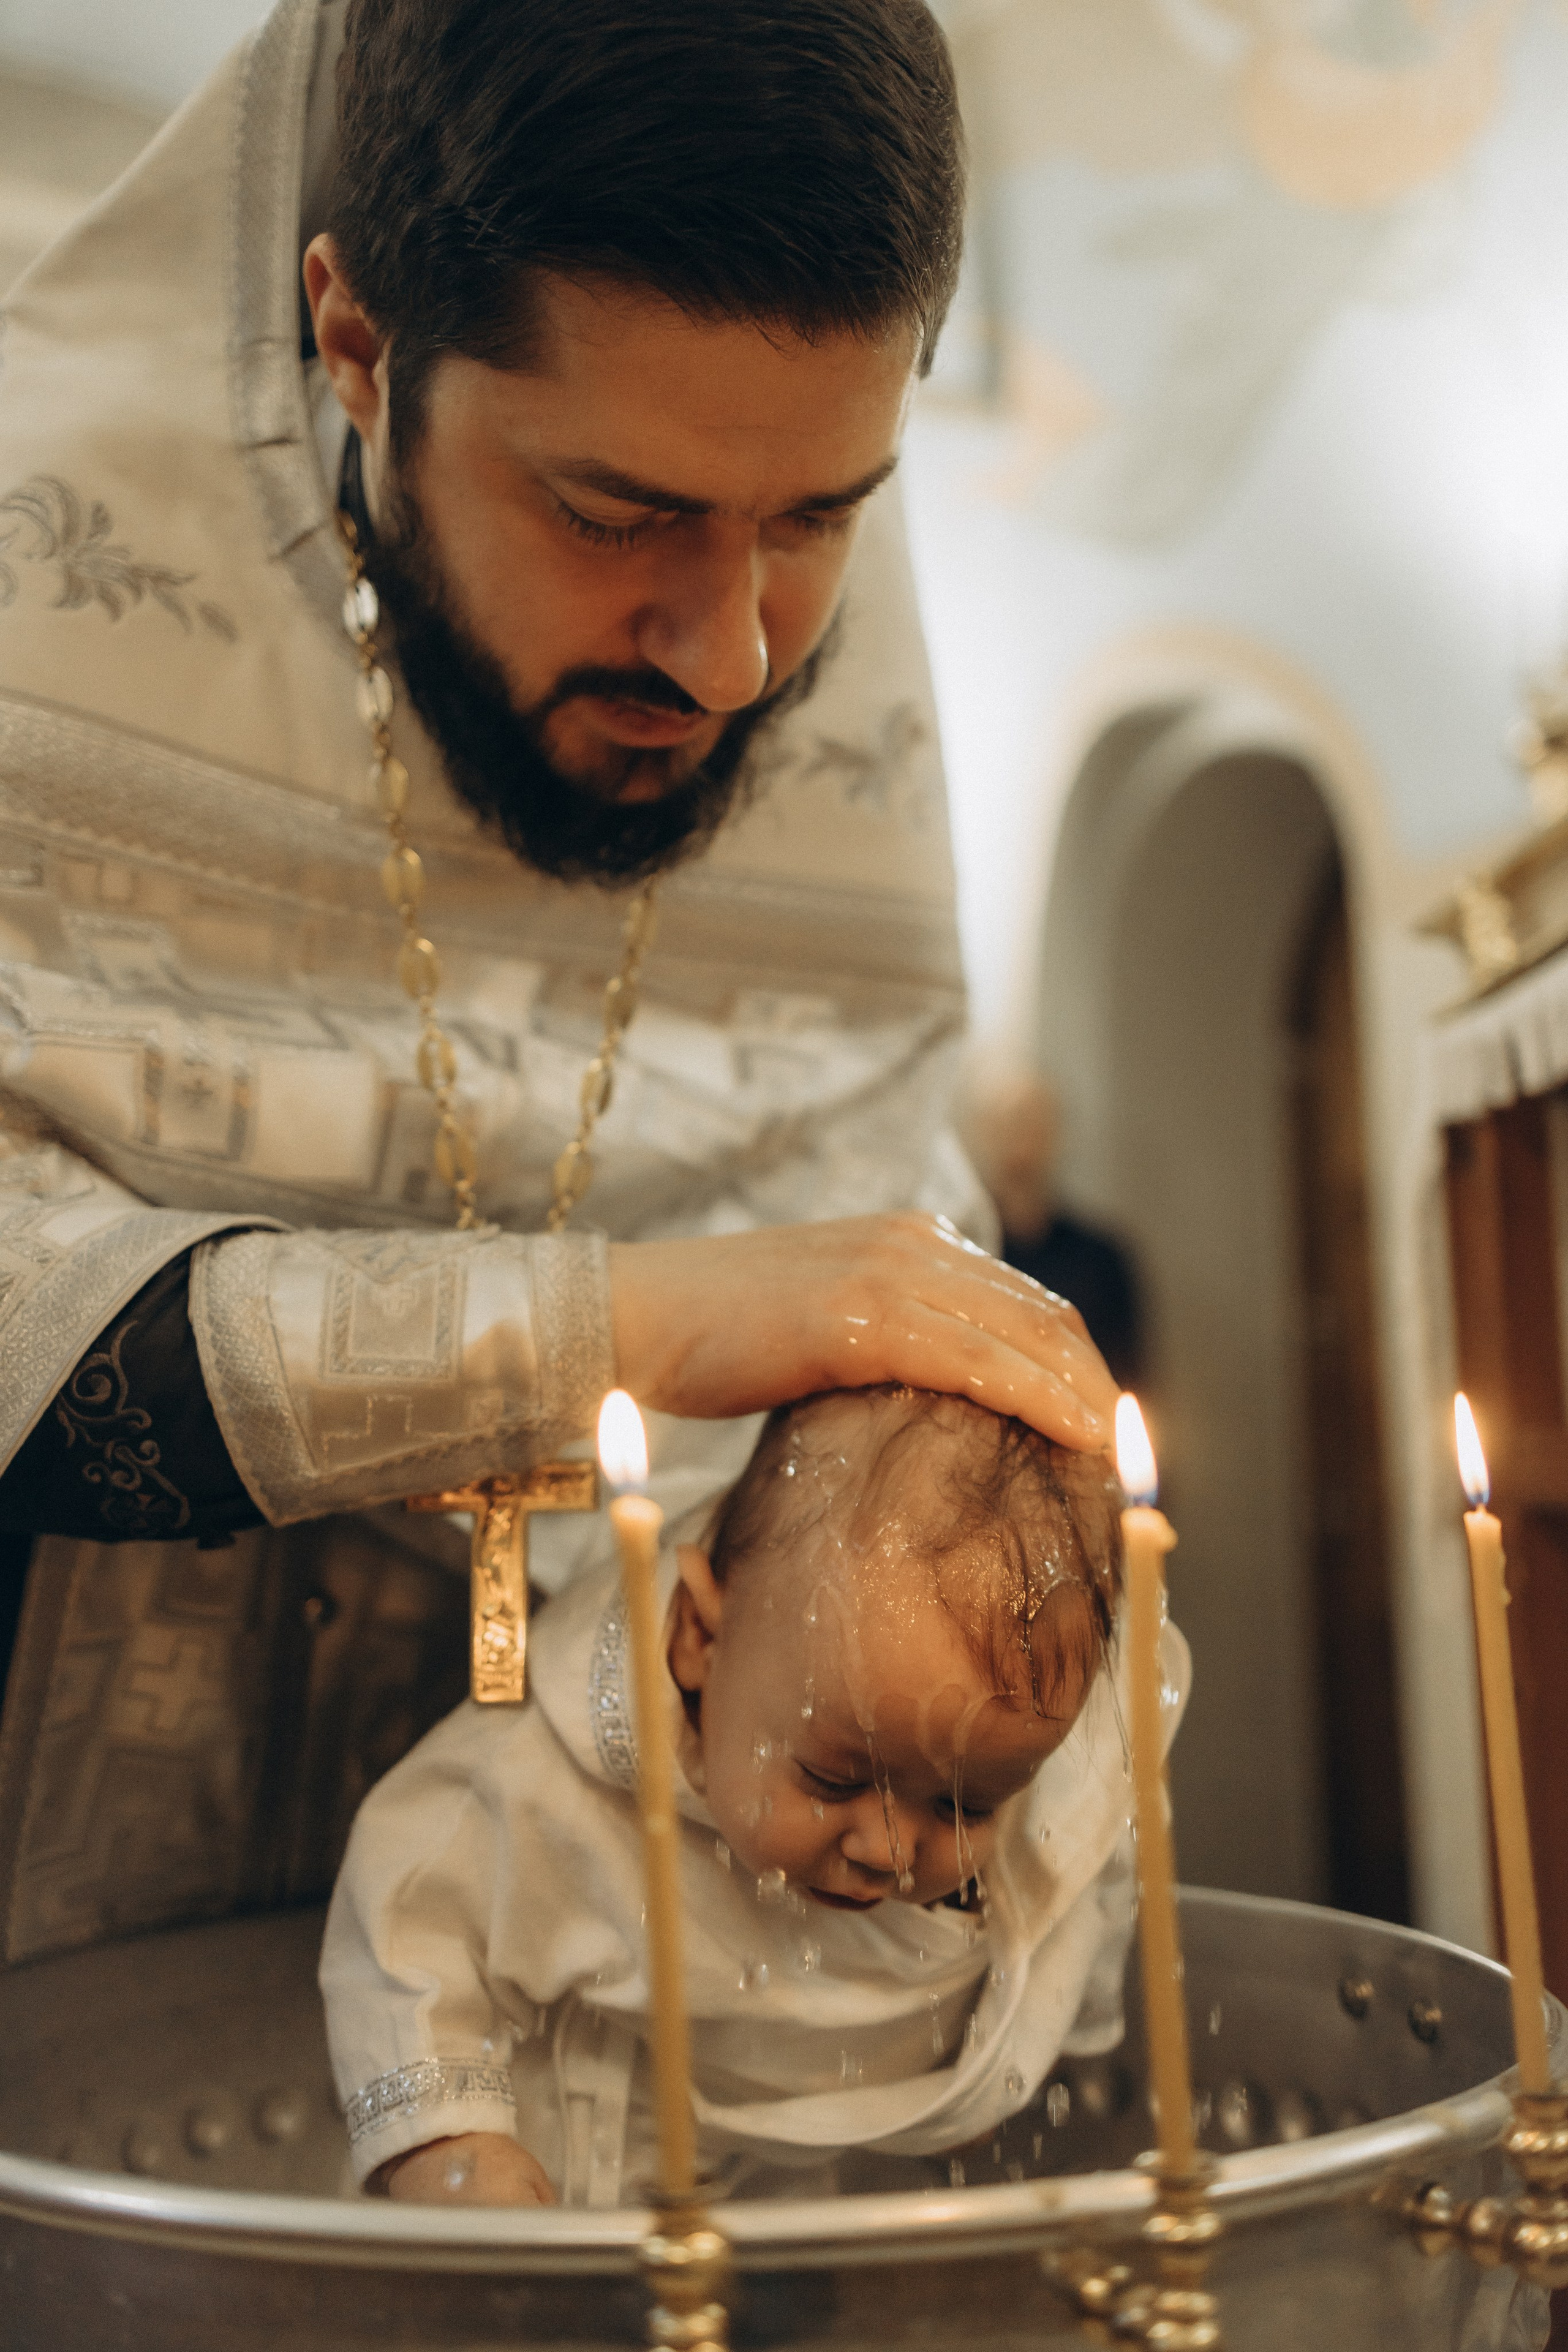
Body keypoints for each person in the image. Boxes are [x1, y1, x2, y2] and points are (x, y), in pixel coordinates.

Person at [0, 0, 1114, 1970]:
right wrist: (627, 1325)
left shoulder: (800, 665)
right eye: (616, 517)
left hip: (616, 1988)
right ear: (359, 345)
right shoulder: (43, 611)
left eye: (819, 520)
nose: (734, 655)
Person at [322, 1385, 1188, 2206]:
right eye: (834, 1779)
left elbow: (1083, 1883)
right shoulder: (537, 1775)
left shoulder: (1053, 1767)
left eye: (965, 1810)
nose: (890, 1850)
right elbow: (407, 1918)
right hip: (578, 2173)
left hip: (826, 2188)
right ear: (699, 1635)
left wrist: (1017, 2059)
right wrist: (443, 2144)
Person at [964, 1072, 1144, 1392]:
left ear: (1054, 1133)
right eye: (1006, 1123)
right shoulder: (962, 1255)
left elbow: (1128, 1379)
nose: (1018, 1136)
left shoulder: (1101, 1260)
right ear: (983, 1133)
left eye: (1030, 1122)